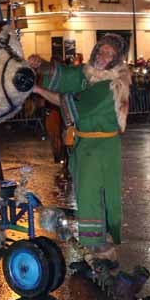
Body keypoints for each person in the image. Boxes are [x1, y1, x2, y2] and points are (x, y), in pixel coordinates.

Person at [29, 34, 130, 265]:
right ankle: (96, 245)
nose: (103, 57)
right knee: (88, 193)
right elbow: (66, 76)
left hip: (101, 147)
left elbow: (74, 104)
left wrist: (39, 90)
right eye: (101, 51)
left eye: (109, 54)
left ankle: (100, 247)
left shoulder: (112, 85)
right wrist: (42, 65)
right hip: (85, 144)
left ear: (116, 60)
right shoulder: (89, 75)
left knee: (92, 193)